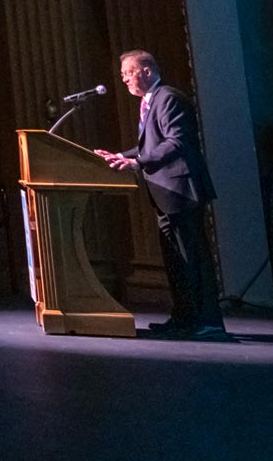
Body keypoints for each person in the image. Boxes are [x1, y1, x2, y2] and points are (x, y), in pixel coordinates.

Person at [96, 48, 226, 340]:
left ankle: (207, 322)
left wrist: (137, 162)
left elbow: (176, 142)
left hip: (181, 191)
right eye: (122, 75)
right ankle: (184, 318)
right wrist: (120, 156)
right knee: (175, 261)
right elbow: (147, 148)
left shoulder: (168, 98)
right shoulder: (149, 102)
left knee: (191, 258)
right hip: (166, 195)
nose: (124, 80)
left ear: (146, 70)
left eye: (128, 73)